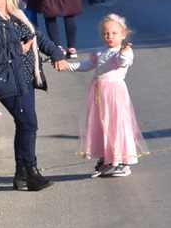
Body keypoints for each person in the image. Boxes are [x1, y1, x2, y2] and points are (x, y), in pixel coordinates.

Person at [0, 0, 69, 191]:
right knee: (28, 124)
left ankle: (22, 175)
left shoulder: (16, 14)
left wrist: (55, 53)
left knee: (25, 124)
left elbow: (37, 36)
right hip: (5, 79)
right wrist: (17, 50)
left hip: (24, 77)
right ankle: (30, 172)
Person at [59, 13, 146, 178]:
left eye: (114, 33)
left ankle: (122, 161)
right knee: (101, 124)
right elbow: (87, 65)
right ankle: (107, 158)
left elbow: (123, 62)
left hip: (114, 94)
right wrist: (67, 66)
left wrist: (124, 51)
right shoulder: (100, 52)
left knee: (116, 124)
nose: (109, 37)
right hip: (99, 93)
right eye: (106, 33)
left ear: (123, 34)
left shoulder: (123, 52)